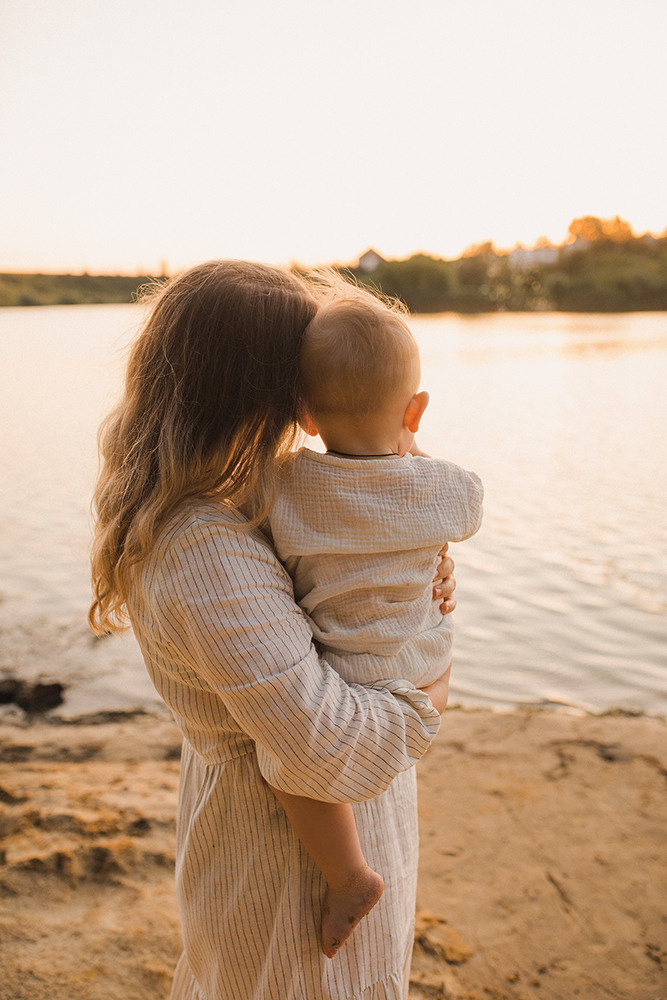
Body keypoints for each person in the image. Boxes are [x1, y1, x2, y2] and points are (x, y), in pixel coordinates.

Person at [89, 259, 456, 1000]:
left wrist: (413, 582)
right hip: (284, 868)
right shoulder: (202, 546)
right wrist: (433, 682)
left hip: (320, 837)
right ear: (267, 389)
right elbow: (328, 750)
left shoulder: (249, 503)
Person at [265, 284, 483, 958]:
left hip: (341, 666)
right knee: (428, 665)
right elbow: (470, 509)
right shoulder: (443, 487)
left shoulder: (281, 483)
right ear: (416, 408)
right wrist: (410, 450)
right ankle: (425, 712)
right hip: (421, 654)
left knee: (284, 766)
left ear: (304, 414)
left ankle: (349, 876)